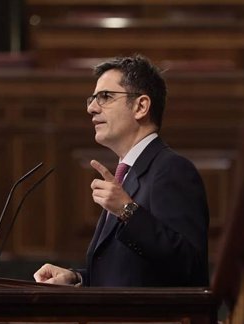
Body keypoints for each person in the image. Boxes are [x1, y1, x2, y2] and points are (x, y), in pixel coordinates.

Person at [34, 55, 209, 287]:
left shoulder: (171, 169)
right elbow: (132, 273)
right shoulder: (127, 174)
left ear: (141, 106)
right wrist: (78, 278)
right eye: (92, 98)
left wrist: (127, 210)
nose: (91, 108)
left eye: (105, 97)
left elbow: (189, 265)